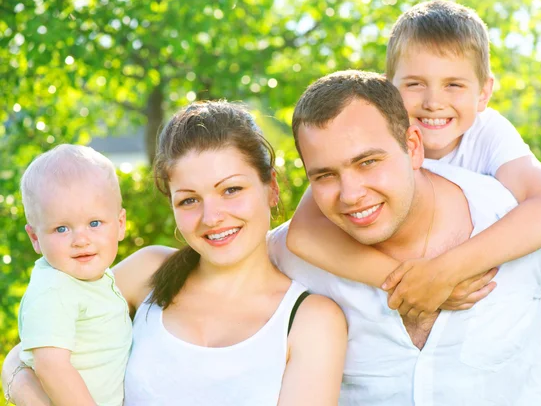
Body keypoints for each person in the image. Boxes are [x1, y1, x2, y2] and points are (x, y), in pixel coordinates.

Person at [268, 70, 541, 405]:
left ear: (413, 146)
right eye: (325, 175)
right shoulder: (285, 262)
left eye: (368, 162)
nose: (351, 195)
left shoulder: (521, 220)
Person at [2, 101, 347, 406]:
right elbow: (24, 355)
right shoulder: (148, 272)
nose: (212, 217)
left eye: (231, 189)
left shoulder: (310, 320)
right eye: (189, 200)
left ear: (271, 187)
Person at [287, 0, 541, 317]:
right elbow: (303, 234)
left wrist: (446, 272)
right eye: (414, 84)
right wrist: (410, 282)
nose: (433, 102)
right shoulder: (373, 143)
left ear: (483, 93)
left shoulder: (488, 132)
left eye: (453, 85)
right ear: (389, 87)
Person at [11, 144, 131, 406]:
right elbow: (51, 368)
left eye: (94, 223)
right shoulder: (54, 289)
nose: (81, 240)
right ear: (35, 238)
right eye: (62, 228)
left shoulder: (94, 278)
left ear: (120, 224)